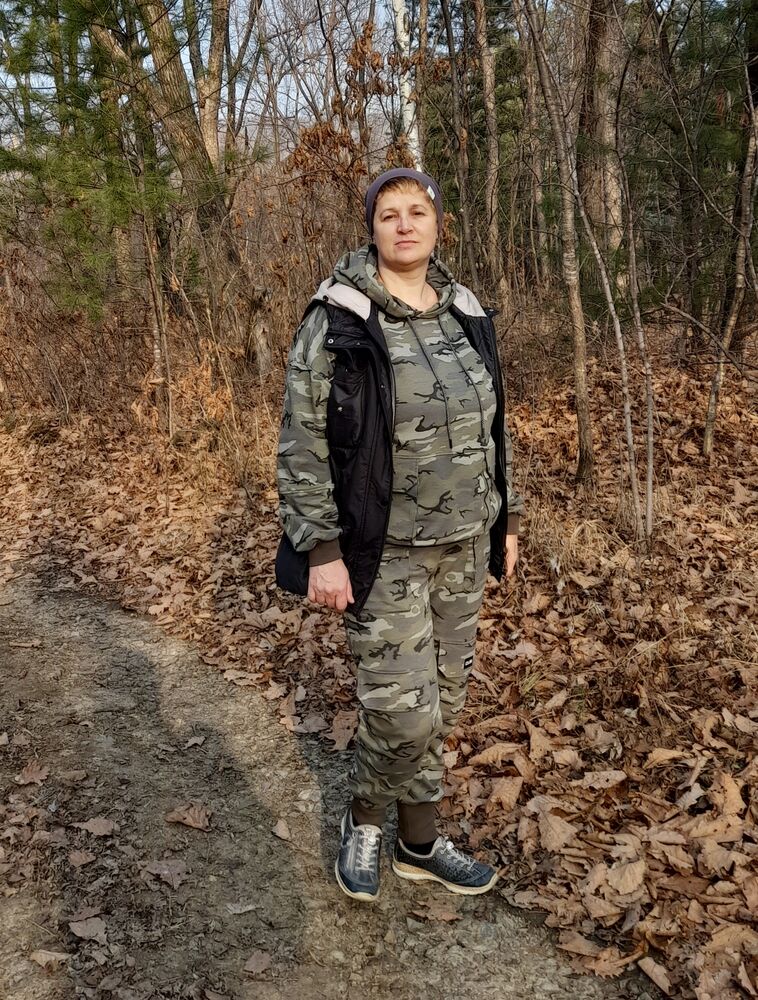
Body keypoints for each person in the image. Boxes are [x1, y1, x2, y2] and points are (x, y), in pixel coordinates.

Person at [276, 167, 523, 902]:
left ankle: (418, 843)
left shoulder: (465, 310)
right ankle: (362, 819)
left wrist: (506, 519)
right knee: (403, 714)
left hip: (464, 546)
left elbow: (493, 426)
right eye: (390, 215)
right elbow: (302, 440)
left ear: (439, 224)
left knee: (442, 704)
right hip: (382, 553)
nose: (406, 224)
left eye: (418, 211)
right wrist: (321, 550)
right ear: (373, 229)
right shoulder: (340, 318)